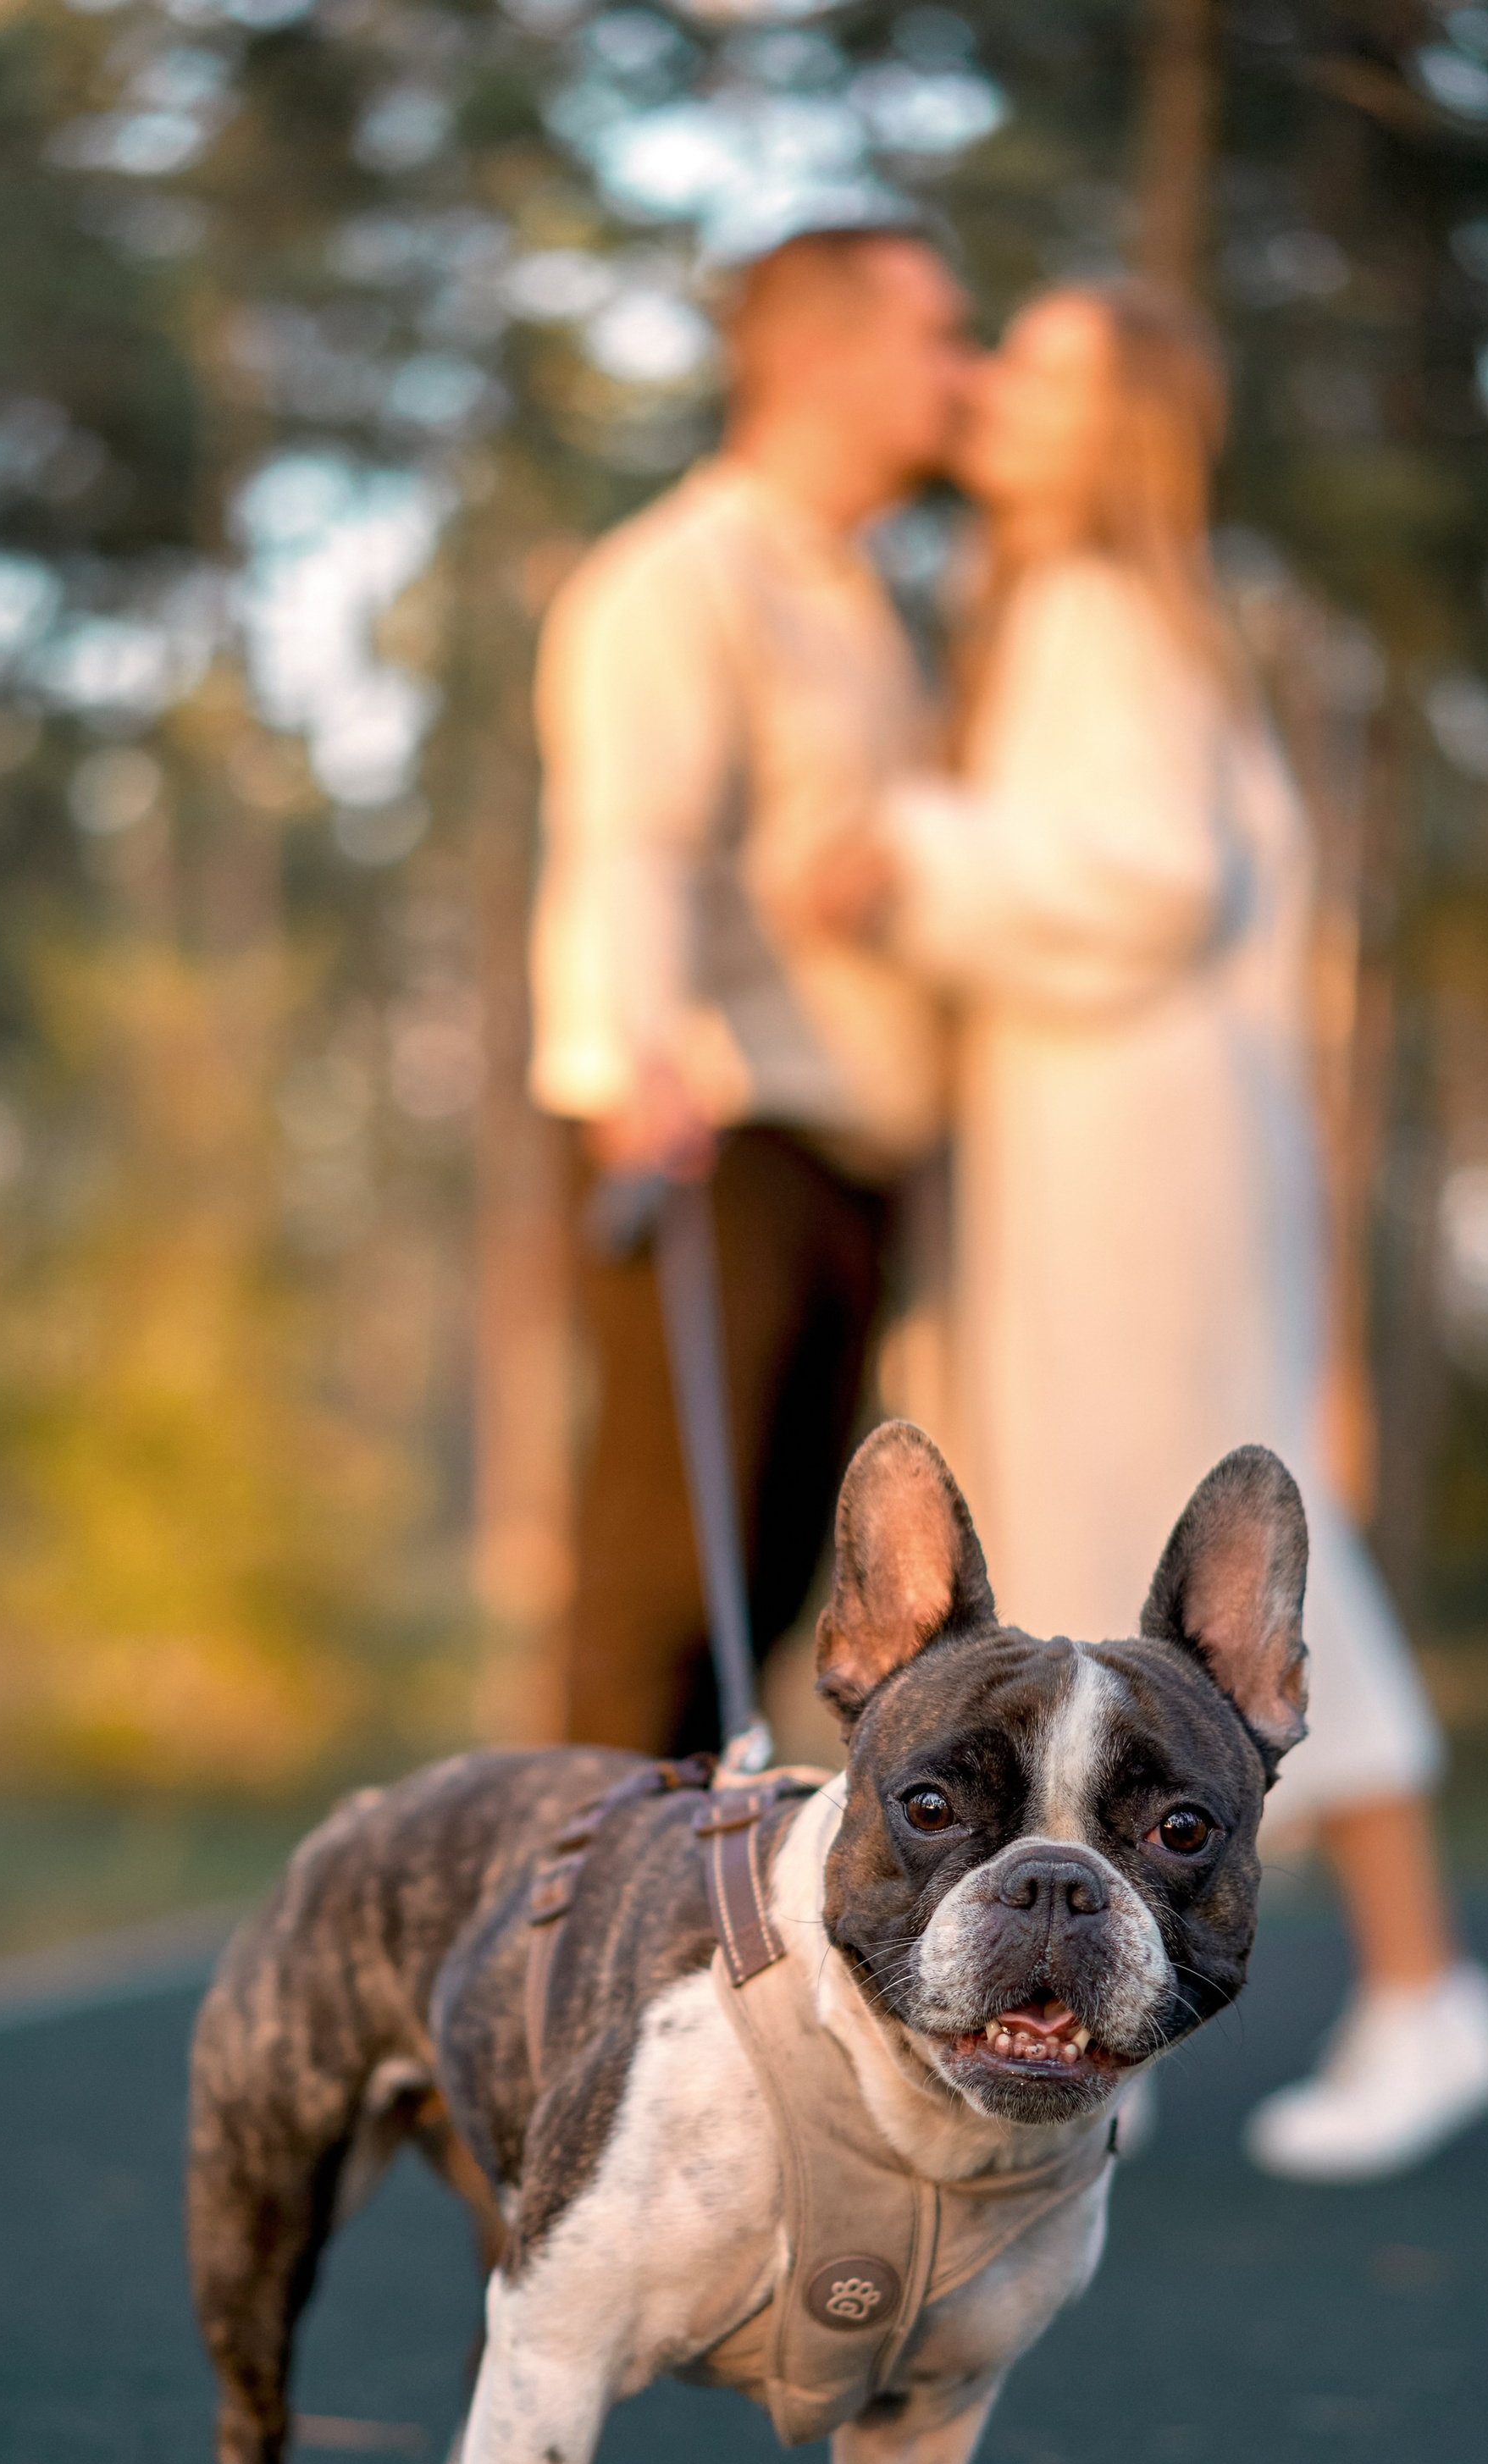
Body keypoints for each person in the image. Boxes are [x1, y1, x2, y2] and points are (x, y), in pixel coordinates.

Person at [813, 283, 1488, 2184]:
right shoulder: (1104, 610)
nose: (989, 388)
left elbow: (1142, 880)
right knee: (1149, 1559)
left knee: (1223, 1598)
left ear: (1118, 420)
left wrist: (906, 859)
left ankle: (1418, 1982)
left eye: (1036, 367)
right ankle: (1163, 1991)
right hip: (1122, 1142)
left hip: (1134, 1155)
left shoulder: (1093, 607)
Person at [527, 216, 973, 1759]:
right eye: (937, 337)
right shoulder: (681, 576)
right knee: (665, 1597)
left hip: (841, 1152)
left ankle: (676, 1964)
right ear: (822, 359)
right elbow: (633, 841)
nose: (962, 375)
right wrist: (646, 1056)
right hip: (714, 1133)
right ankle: (575, 1975)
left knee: (768, 1597)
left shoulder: (856, 597)